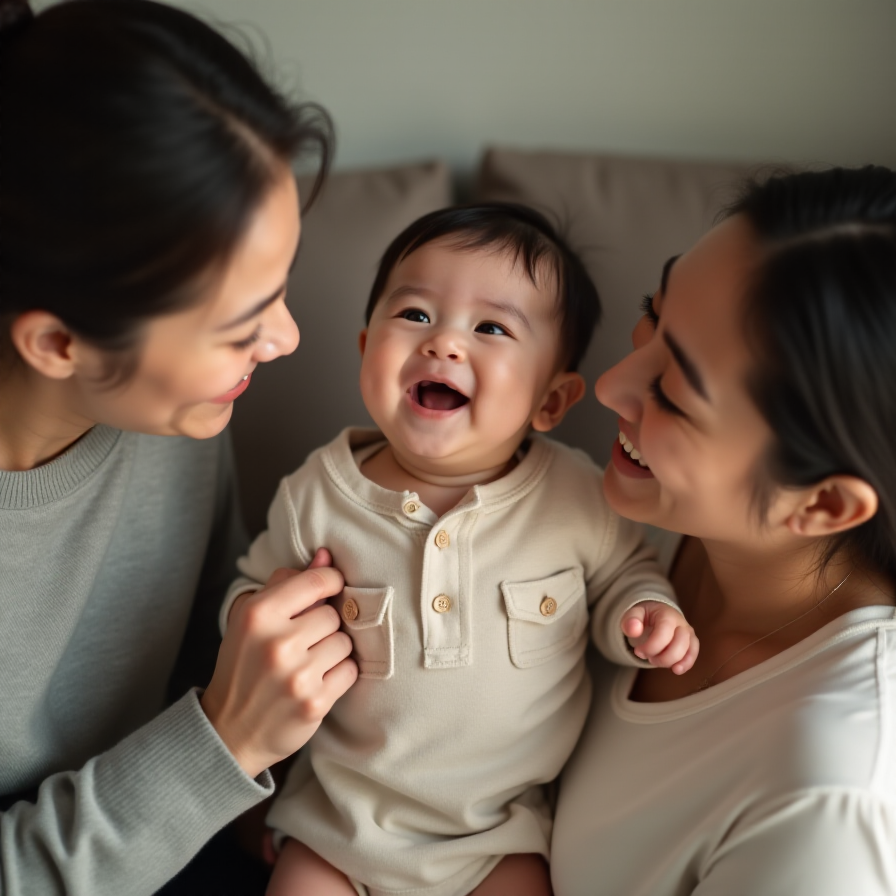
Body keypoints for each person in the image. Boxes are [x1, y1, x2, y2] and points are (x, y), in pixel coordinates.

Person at [219, 204, 700, 896]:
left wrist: (647, 614)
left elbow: (627, 573)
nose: (444, 344)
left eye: (491, 328)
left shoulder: (574, 496)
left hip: (499, 836)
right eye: (414, 315)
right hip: (338, 826)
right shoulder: (318, 492)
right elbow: (249, 600)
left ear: (551, 401)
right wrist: (255, 617)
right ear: (364, 350)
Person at [0, 1, 358, 894]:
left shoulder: (176, 415)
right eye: (240, 326)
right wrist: (222, 746)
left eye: (279, 291)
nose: (285, 340)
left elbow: (207, 643)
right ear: (58, 345)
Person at [551, 165, 896, 895]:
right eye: (654, 310)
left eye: (673, 396)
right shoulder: (682, 523)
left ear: (823, 506)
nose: (612, 383)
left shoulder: (827, 803)